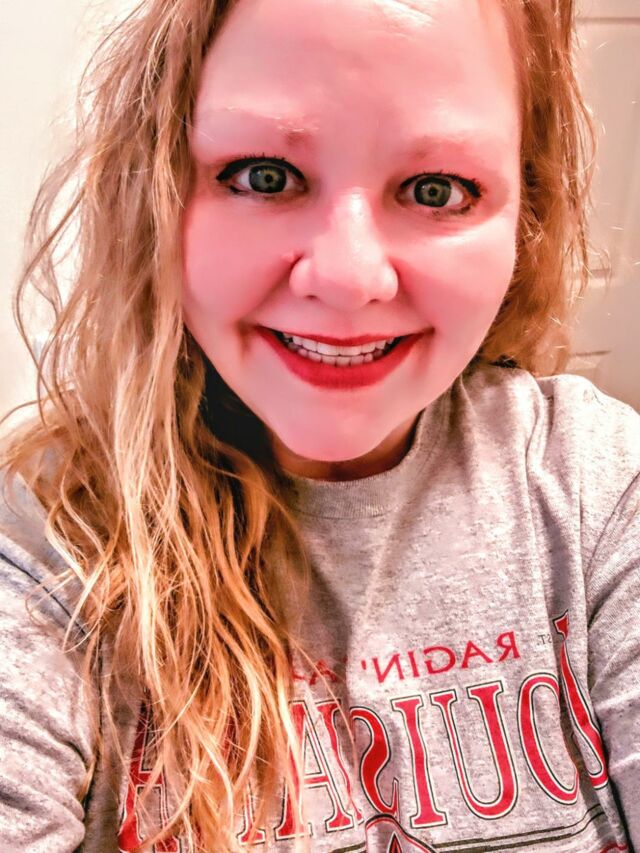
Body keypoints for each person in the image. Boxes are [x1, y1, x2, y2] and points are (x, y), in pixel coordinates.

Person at [0, 0, 638, 850]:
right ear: (155, 189)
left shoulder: (598, 487)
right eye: (265, 175)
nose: (347, 277)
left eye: (437, 189)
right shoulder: (44, 544)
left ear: (525, 209)